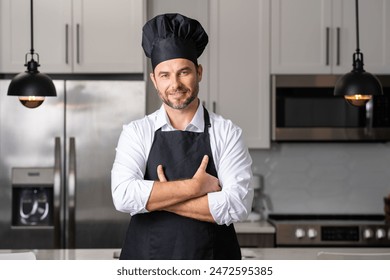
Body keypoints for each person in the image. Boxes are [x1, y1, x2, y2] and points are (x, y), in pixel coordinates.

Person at [111, 13, 253, 260]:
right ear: (155, 81)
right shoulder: (137, 132)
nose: (174, 84)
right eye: (164, 75)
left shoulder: (226, 132)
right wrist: (195, 187)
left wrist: (160, 198)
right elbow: (123, 195)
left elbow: (237, 205)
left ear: (199, 72)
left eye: (183, 72)